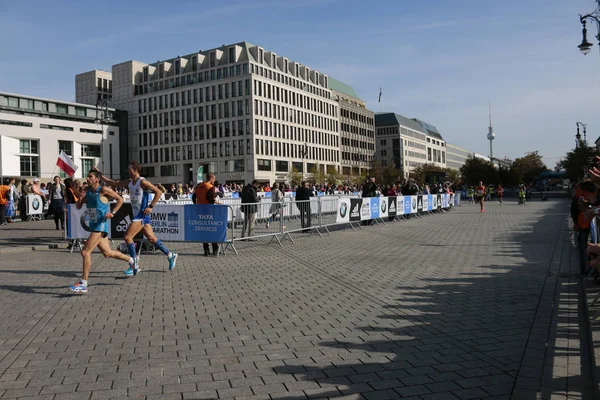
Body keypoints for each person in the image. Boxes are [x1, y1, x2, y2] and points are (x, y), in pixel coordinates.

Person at [97, 161, 178, 276]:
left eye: (129, 169)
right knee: (151, 238)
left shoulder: (142, 182)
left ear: (135, 170)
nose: (127, 171)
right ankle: (171, 255)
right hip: (137, 215)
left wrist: (150, 206)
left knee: (127, 236)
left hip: (141, 215)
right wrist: (100, 176)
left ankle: (134, 264)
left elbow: (158, 192)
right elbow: (114, 184)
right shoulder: (130, 182)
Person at [68, 170, 137, 294]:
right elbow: (78, 206)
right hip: (94, 225)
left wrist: (113, 213)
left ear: (97, 179)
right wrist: (80, 198)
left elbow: (120, 199)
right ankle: (132, 261)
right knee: (108, 253)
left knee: (85, 252)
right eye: (87, 176)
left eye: (90, 177)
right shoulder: (88, 191)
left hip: (100, 225)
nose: (87, 179)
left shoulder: (103, 190)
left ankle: (83, 283)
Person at [571, 180, 597, 275]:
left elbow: (574, 208)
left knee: (583, 246)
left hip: (583, 221)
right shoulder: (594, 190)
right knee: (588, 244)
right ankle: (590, 267)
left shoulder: (579, 192)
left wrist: (575, 221)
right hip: (586, 221)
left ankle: (586, 268)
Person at [194, 173, 221, 256]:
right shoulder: (210, 187)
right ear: (211, 178)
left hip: (200, 210)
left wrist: (197, 204)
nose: (214, 181)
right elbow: (209, 198)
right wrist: (217, 202)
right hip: (209, 211)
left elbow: (193, 197)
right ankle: (215, 249)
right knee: (212, 230)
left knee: (204, 231)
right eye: (214, 179)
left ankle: (206, 250)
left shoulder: (199, 186)